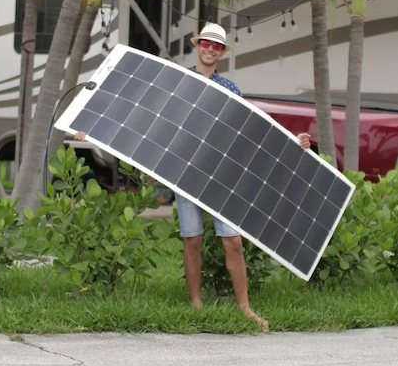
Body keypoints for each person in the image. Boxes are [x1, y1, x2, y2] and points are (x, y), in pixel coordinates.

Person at [75, 23, 311, 332]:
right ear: (197, 45)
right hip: (185, 172)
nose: (210, 49)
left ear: (222, 52)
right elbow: (145, 116)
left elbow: (252, 131)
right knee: (192, 240)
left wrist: (293, 142)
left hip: (222, 175)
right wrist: (92, 128)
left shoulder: (231, 89)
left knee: (234, 243)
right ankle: (195, 303)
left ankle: (245, 307)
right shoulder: (179, 82)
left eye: (216, 46)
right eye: (206, 43)